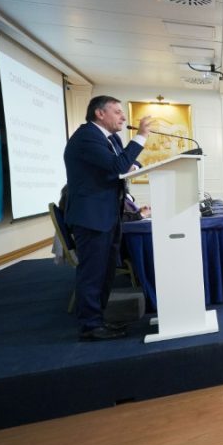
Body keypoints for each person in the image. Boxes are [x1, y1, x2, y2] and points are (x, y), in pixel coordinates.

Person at [63, 96, 151, 341]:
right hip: (92, 217)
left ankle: (98, 319)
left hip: (109, 215)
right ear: (100, 113)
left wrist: (131, 165)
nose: (123, 117)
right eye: (117, 111)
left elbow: (127, 162)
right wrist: (141, 136)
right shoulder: (86, 137)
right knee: (93, 273)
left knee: (106, 272)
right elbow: (118, 166)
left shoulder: (111, 139)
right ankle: (89, 326)